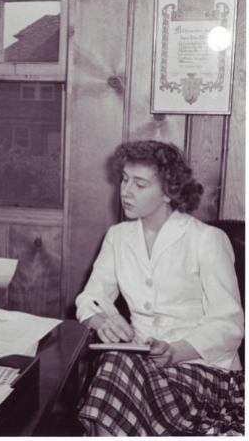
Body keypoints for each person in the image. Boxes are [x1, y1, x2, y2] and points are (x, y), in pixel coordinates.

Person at [75, 140, 244, 436]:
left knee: (116, 370)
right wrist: (103, 321)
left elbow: (229, 326)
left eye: (140, 184)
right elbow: (91, 298)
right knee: (117, 362)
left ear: (169, 191)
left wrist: (176, 351)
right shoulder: (118, 237)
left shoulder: (206, 240)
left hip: (202, 369)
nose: (125, 191)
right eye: (124, 179)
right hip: (139, 367)